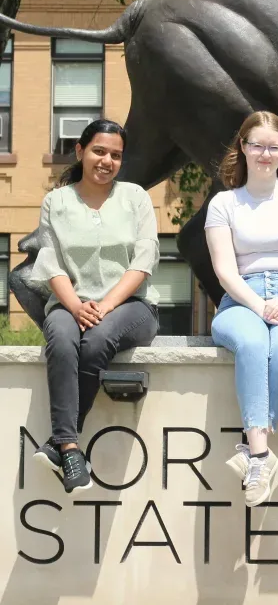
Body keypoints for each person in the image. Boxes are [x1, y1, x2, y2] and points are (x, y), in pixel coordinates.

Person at [31, 119, 160, 494]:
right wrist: (74, 305)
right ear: (80, 151)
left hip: (132, 307)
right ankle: (70, 448)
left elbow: (144, 259)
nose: (107, 160)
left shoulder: (135, 197)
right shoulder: (56, 201)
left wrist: (103, 306)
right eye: (99, 151)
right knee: (60, 333)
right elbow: (50, 261)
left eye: (116, 155)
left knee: (96, 340)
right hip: (70, 302)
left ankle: (59, 442)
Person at [205, 111, 278, 507]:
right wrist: (260, 306)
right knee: (254, 344)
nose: (265, 154)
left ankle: (252, 445)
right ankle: (260, 455)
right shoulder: (224, 203)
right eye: (257, 145)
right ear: (242, 146)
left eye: (274, 147)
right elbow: (224, 270)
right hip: (241, 298)